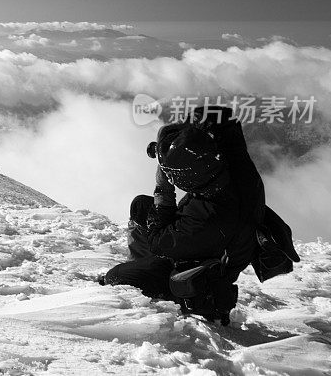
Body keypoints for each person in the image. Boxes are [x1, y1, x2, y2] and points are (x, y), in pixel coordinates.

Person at [102, 107, 263, 324]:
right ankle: (146, 264)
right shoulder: (230, 169)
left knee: (118, 276)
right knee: (141, 206)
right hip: (216, 237)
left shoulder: (207, 217)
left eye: (172, 173)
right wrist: (183, 136)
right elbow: (221, 120)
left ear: (187, 178)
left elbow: (158, 240)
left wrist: (163, 188)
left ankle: (153, 276)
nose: (168, 175)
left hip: (200, 270)